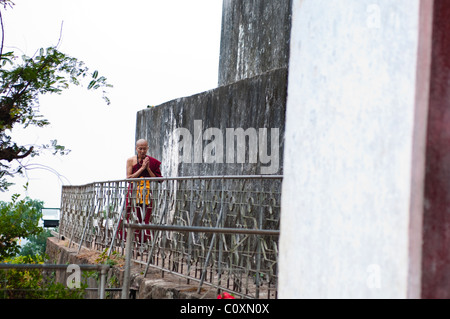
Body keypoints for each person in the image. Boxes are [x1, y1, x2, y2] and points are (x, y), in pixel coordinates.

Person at [121, 139, 162, 242]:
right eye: (140, 149)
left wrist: (148, 169)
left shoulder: (152, 162)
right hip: (133, 192)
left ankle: (144, 243)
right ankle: (128, 241)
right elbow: (129, 178)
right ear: (136, 148)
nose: (142, 151)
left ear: (147, 148)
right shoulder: (130, 160)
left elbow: (159, 179)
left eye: (144, 149)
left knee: (145, 217)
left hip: (147, 192)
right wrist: (142, 168)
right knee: (131, 215)